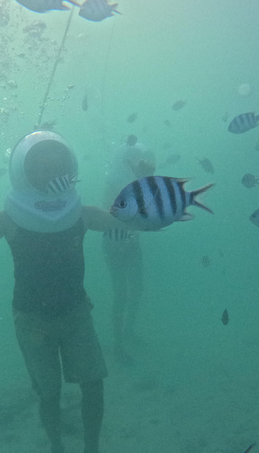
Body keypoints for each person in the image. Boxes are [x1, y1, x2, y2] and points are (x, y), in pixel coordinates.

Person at [0, 130, 127, 453]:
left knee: (93, 385)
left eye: (56, 165)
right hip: (31, 322)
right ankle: (57, 446)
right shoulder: (10, 217)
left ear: (67, 169)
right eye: (40, 165)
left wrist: (156, 203)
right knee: (49, 393)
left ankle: (92, 449)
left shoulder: (80, 212)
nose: (48, 172)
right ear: (23, 172)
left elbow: (122, 222)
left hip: (76, 313)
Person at [101, 134, 156, 365]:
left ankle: (129, 331)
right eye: (134, 158)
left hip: (131, 241)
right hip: (114, 243)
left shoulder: (137, 181)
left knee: (137, 289)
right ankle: (117, 344)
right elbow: (108, 213)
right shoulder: (114, 182)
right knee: (121, 294)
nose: (138, 162)